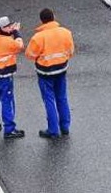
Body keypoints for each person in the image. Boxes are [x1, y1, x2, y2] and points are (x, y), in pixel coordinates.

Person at [25, 8, 75, 139]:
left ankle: (53, 130)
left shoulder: (38, 37)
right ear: (53, 17)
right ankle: (65, 127)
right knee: (62, 97)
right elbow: (70, 51)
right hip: (61, 69)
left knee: (49, 100)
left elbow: (30, 55)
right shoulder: (66, 32)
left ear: (42, 21)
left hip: (45, 72)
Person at [0, 16, 25, 140]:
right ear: (1, 28)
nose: (10, 28)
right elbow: (19, 45)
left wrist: (9, 32)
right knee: (7, 101)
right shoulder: (7, 41)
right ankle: (9, 129)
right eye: (8, 27)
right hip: (5, 75)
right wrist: (16, 32)